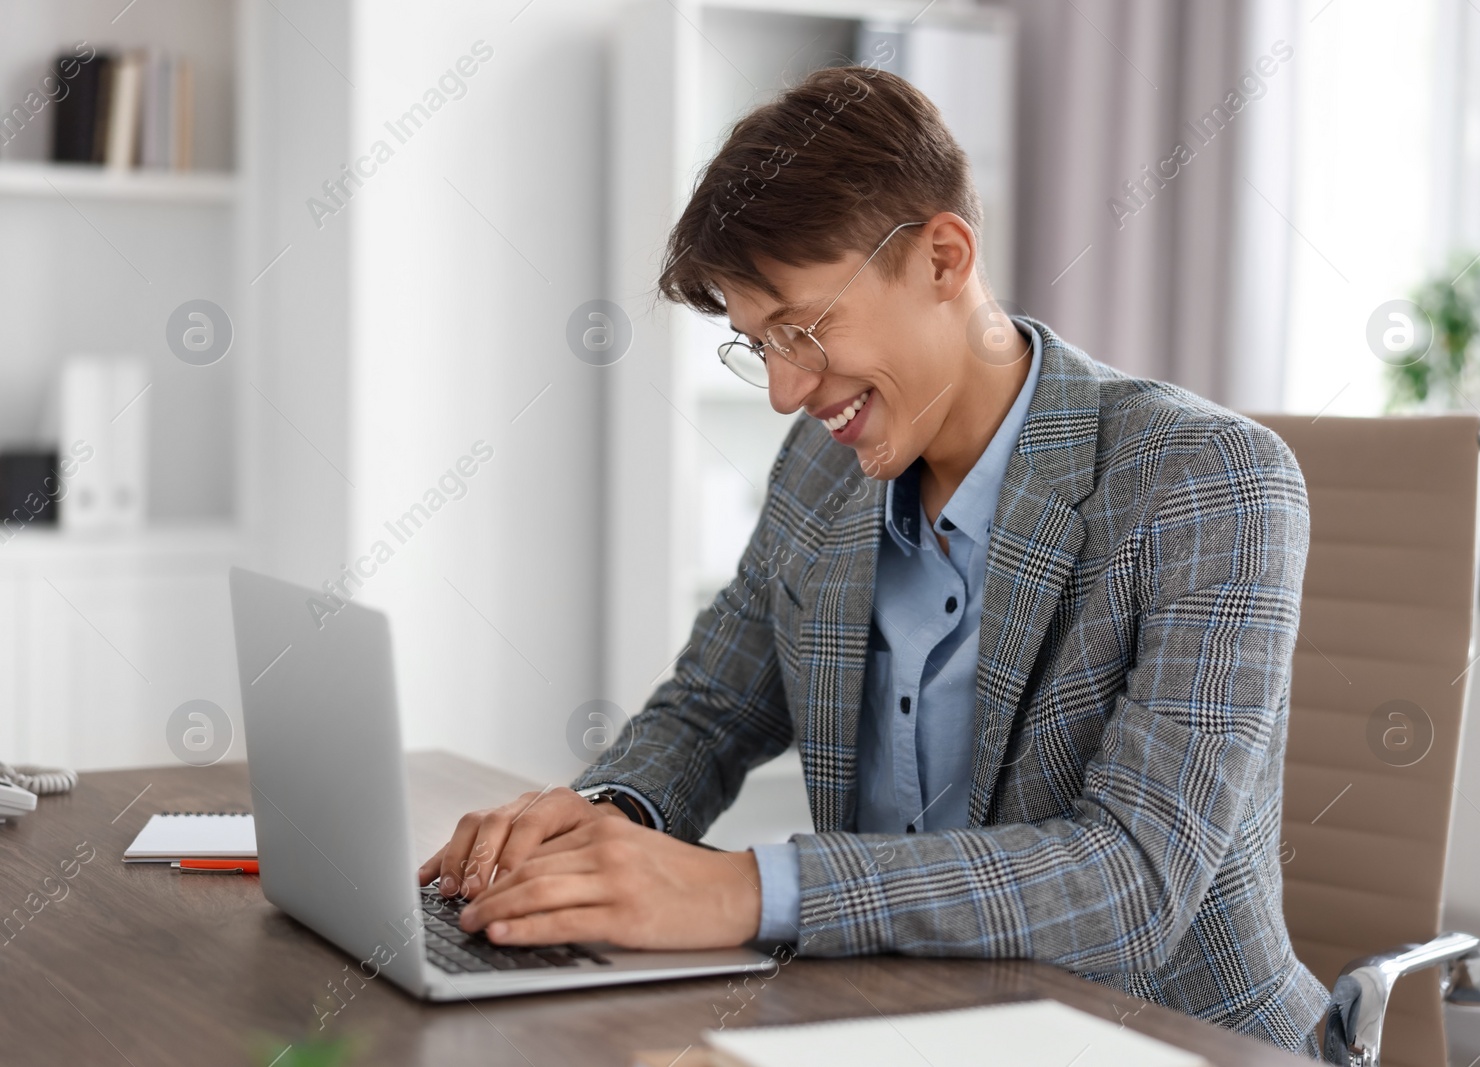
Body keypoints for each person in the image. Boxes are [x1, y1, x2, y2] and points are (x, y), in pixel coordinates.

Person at [419, 65, 1329, 1056]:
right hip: (898, 1023)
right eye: (758, 344)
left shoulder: (1207, 480)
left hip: (1170, 1037)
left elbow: (1132, 882)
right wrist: (600, 823)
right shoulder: (822, 468)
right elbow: (712, 707)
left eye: (803, 330)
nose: (784, 390)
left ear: (942, 258)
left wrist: (743, 885)